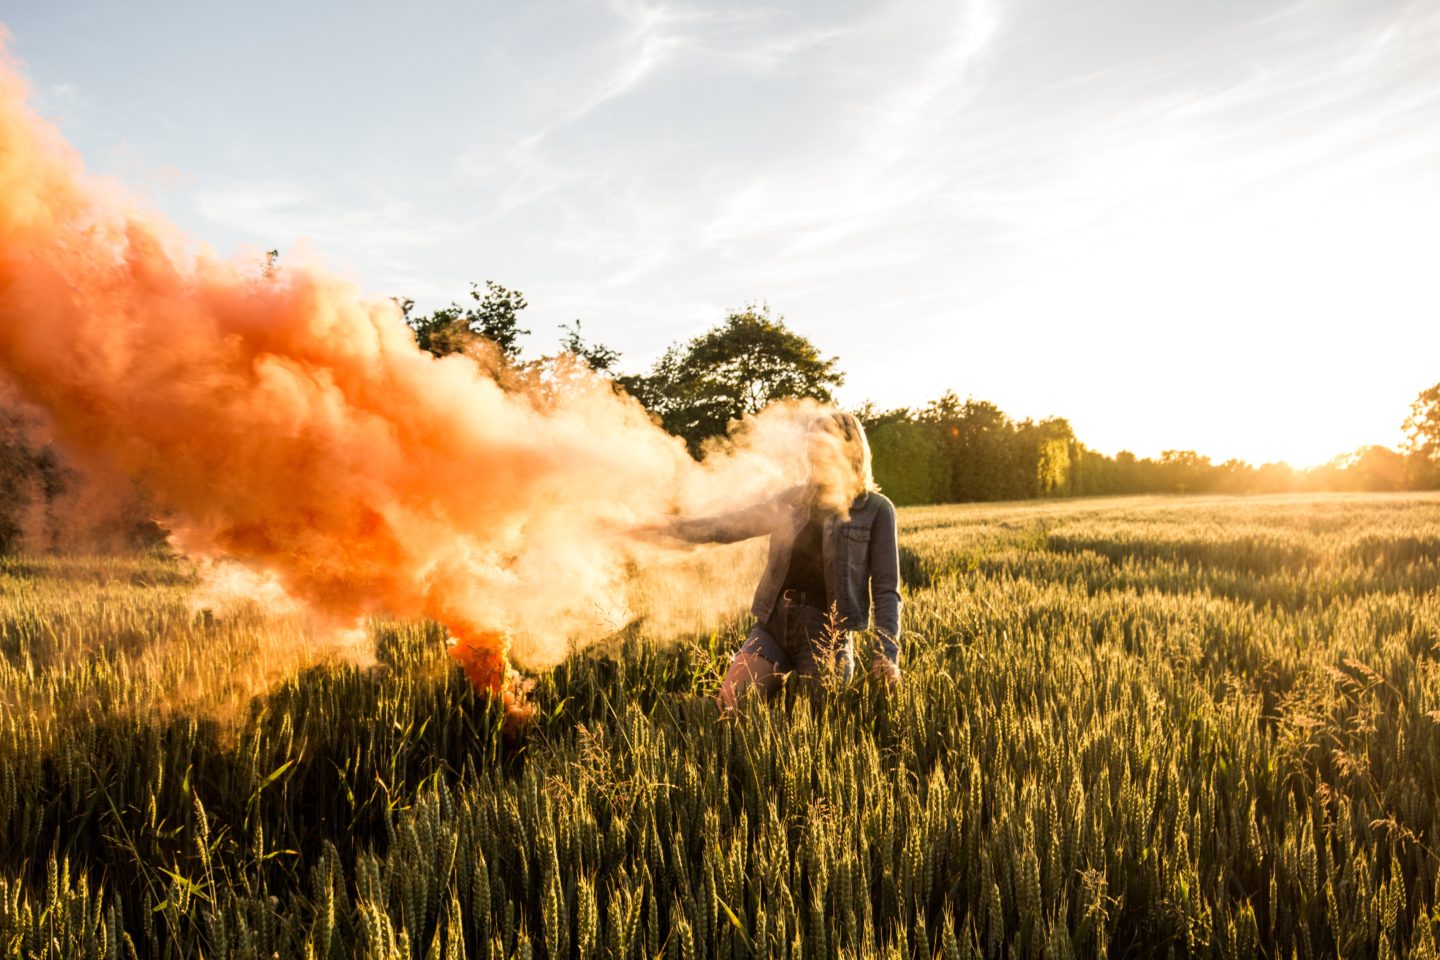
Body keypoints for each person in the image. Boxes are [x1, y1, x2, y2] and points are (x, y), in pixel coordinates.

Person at [647, 410, 902, 713]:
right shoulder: (792, 500)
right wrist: (662, 526)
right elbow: (728, 526)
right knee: (730, 707)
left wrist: (886, 654)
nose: (813, 453)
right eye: (811, 445)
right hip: (774, 622)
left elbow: (887, 589)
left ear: (851, 449)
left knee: (817, 727)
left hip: (827, 634)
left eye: (824, 445)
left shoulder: (875, 509)